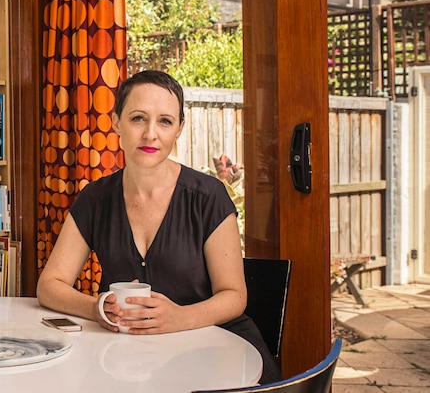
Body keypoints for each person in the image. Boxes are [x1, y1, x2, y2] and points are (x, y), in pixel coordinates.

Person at [36, 70, 281, 384]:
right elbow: (50, 285)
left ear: (179, 128)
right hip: (128, 359)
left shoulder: (208, 196)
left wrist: (179, 317)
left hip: (218, 351)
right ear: (116, 122)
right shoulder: (94, 199)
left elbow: (234, 296)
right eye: (138, 118)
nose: (151, 134)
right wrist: (96, 308)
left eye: (165, 121)